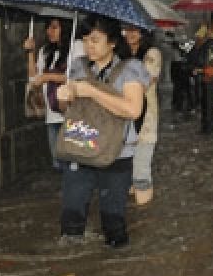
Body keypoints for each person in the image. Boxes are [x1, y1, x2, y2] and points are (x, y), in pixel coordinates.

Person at [55, 14, 148, 248]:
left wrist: (92, 91)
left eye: (95, 40)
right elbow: (67, 109)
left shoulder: (131, 69)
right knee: (71, 217)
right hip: (80, 148)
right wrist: (62, 98)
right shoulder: (77, 67)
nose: (89, 46)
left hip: (116, 154)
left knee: (113, 221)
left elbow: (133, 110)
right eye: (85, 40)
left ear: (113, 41)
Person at [23, 17, 70, 172]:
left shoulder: (75, 48)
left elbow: (73, 78)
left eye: (54, 27)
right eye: (48, 27)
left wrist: (47, 77)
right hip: (52, 114)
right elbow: (33, 77)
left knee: (73, 158)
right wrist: (30, 52)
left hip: (70, 113)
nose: (49, 31)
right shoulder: (46, 51)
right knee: (57, 160)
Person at [122, 23, 161, 205]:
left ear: (144, 32)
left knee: (141, 173)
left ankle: (145, 217)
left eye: (135, 29)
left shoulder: (152, 54)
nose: (130, 33)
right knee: (125, 175)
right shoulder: (120, 55)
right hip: (123, 118)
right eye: (127, 29)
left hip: (146, 120)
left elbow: (145, 81)